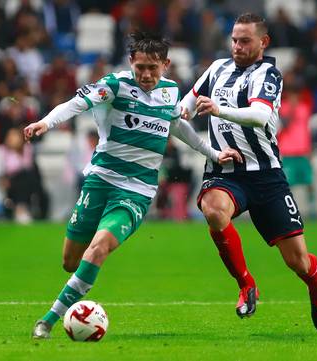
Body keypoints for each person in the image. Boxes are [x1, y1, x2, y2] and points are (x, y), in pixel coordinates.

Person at [25, 31, 241, 339]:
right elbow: (77, 103)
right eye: (140, 67)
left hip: (136, 191)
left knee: (98, 248)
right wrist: (46, 123)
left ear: (165, 64)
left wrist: (214, 154)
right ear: (131, 63)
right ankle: (75, 289)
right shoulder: (115, 85)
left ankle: (47, 321)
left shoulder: (170, 92)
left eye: (153, 67)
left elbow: (180, 127)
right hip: (100, 181)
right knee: (70, 261)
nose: (146, 74)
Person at [180, 13, 317, 331]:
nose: (237, 46)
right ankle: (246, 284)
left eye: (245, 40)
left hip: (266, 176)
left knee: (297, 261)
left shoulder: (269, 74)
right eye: (234, 39)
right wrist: (174, 112)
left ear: (263, 42)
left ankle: (316, 288)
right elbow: (185, 109)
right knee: (213, 209)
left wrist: (220, 109)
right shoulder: (216, 69)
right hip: (225, 170)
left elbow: (260, 116)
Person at [278, 88, 317, 218]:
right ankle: (288, 210)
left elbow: (307, 130)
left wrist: (310, 149)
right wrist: (291, 110)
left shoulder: (304, 108)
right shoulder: (282, 108)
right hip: (288, 152)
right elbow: (284, 125)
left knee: (309, 182)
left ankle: (313, 209)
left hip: (303, 152)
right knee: (287, 185)